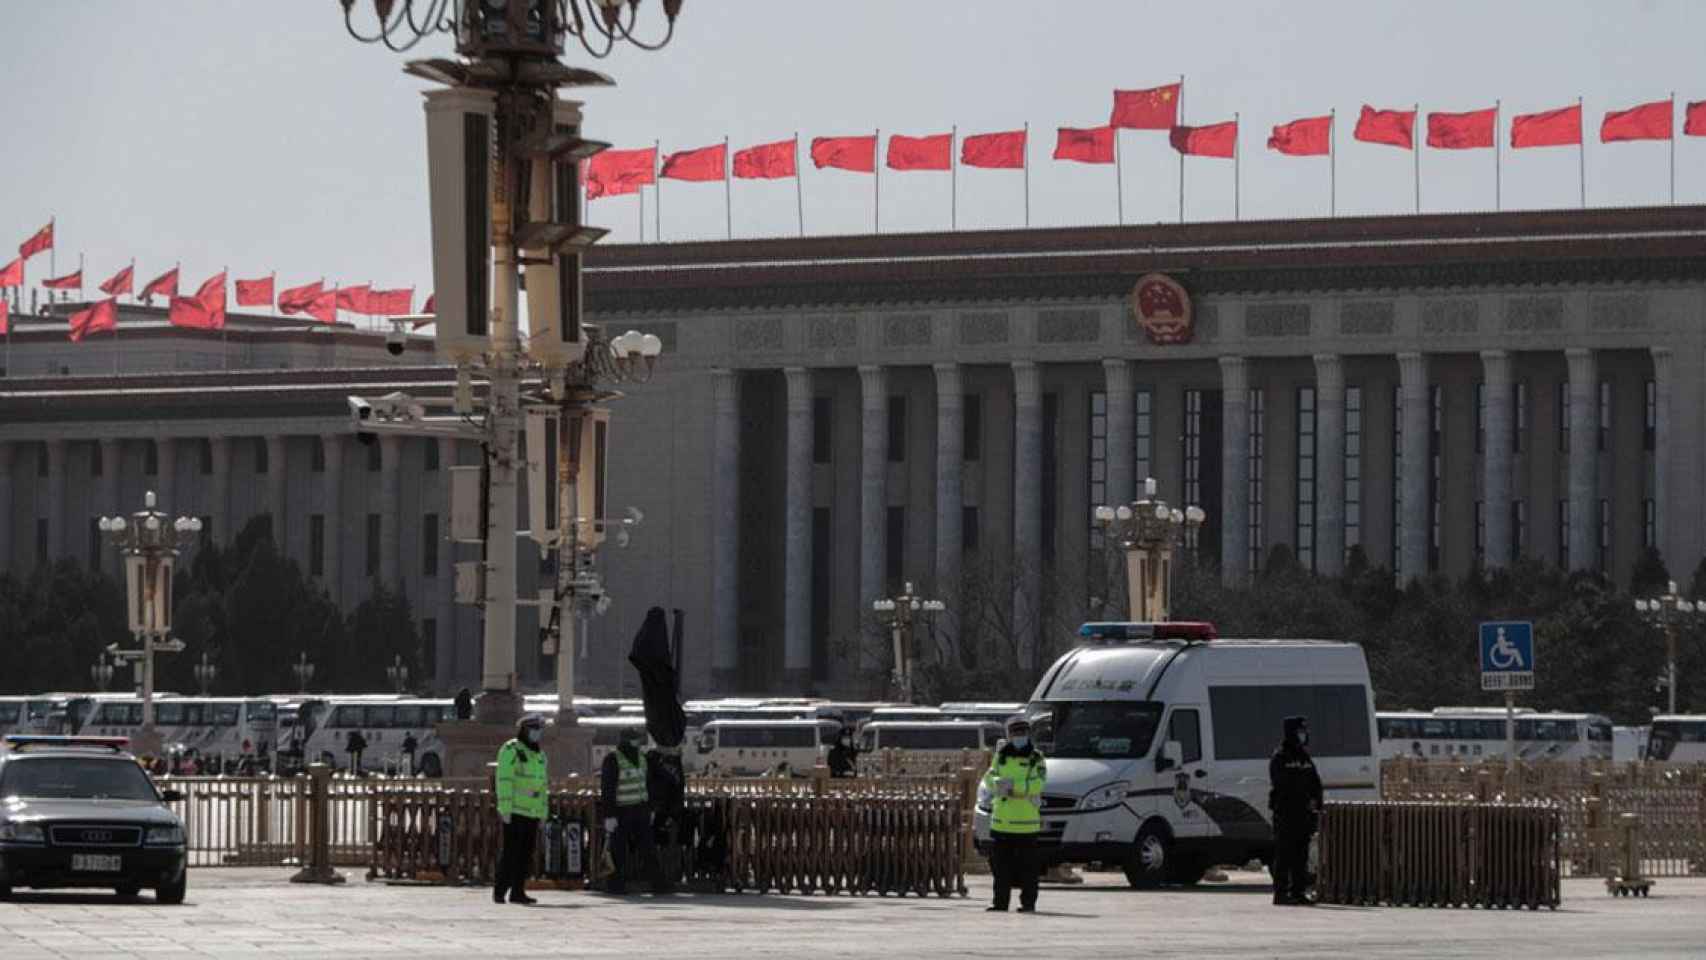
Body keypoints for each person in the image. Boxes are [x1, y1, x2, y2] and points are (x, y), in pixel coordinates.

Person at [983, 716, 1046, 913]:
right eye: (1015, 733)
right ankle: (1000, 903)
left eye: (1022, 733)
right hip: (1001, 822)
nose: (1019, 737)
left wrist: (1014, 788)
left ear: (1028, 735)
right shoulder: (1001, 755)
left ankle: (1028, 903)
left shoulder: (1036, 758)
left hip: (1027, 824)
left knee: (1028, 869)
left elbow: (1038, 784)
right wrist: (998, 784)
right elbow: (989, 777)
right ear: (1009, 736)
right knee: (1000, 869)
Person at [600, 727, 672, 895]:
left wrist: (651, 805)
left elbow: (654, 781)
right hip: (621, 812)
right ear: (625, 740)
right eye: (633, 739)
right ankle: (615, 886)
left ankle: (658, 884)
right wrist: (609, 815)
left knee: (648, 849)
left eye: (637, 739)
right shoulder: (613, 759)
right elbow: (607, 788)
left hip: (641, 810)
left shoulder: (643, 758)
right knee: (618, 851)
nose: (636, 743)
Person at [1269, 715, 1324, 906]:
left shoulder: (1305, 757)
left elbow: (1315, 782)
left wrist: (1318, 802)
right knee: (1284, 854)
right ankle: (1281, 893)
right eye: (1300, 732)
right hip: (1286, 813)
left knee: (1301, 855)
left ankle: (1298, 891)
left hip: (1304, 814)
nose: (1303, 735)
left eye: (1304, 732)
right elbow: (1281, 784)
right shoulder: (1280, 756)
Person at [494, 714, 548, 905]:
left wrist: (543, 812)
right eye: (534, 729)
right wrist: (505, 808)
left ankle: (518, 891)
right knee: (510, 852)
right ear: (525, 730)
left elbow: (542, 786)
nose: (537, 733)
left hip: (532, 812)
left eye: (539, 730)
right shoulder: (511, 750)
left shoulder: (539, 755)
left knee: (526, 854)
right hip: (515, 811)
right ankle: (500, 891)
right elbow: (504, 780)